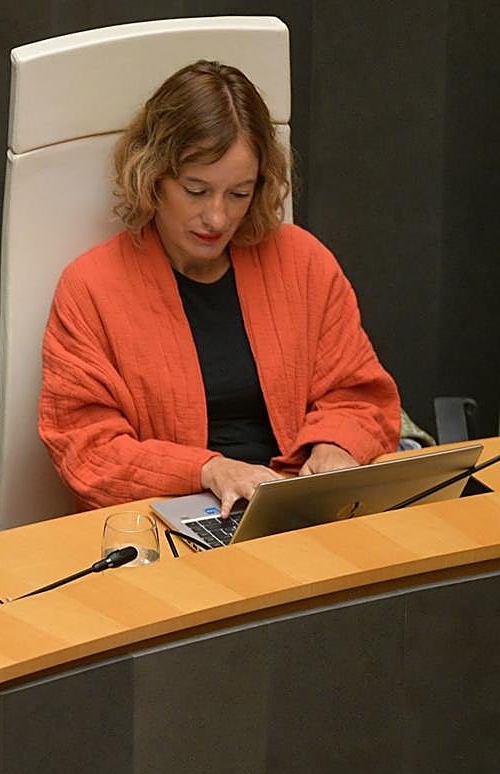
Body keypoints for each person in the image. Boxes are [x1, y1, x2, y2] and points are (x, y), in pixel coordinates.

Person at [39, 60, 400, 517]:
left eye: (239, 194)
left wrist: (336, 443)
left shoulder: (304, 262)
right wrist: (208, 469)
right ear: (152, 176)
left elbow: (359, 395)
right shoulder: (90, 288)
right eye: (196, 191)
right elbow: (87, 451)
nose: (218, 218)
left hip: (300, 510)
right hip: (169, 521)